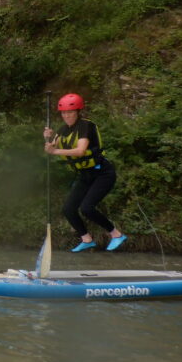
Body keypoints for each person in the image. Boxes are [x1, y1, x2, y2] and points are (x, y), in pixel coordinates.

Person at [43, 93, 127, 252]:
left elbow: (81, 151)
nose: (67, 116)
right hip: (85, 175)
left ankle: (116, 235)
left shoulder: (85, 126)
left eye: (70, 112)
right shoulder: (62, 130)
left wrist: (54, 151)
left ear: (77, 112)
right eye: (64, 113)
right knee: (68, 209)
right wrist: (47, 139)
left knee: (87, 208)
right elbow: (50, 149)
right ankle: (86, 239)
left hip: (102, 173)